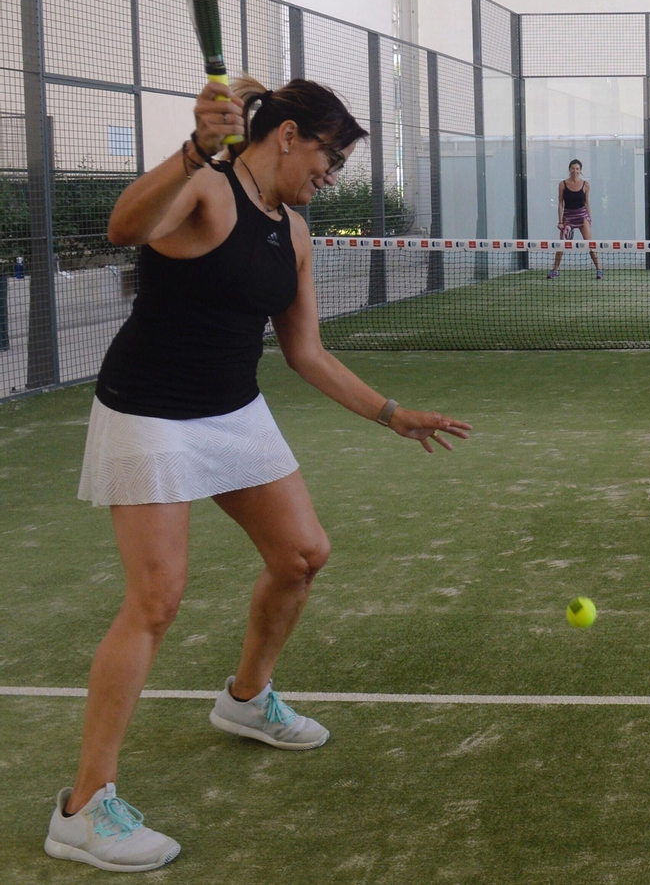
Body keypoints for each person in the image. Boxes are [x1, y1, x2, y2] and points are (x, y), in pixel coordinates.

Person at [45, 77, 472, 872]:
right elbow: (123, 226)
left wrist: (392, 412)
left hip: (231, 408)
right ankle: (83, 808)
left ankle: (246, 698)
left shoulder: (295, 232)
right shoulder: (207, 187)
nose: (331, 174)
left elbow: (305, 352)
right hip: (150, 408)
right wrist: (195, 147)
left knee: (302, 554)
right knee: (156, 598)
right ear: (288, 135)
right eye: (330, 156)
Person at [548, 159, 602, 280]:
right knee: (562, 244)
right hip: (568, 217)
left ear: (580, 170)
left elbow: (587, 203)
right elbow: (560, 203)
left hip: (582, 216)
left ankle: (599, 270)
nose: (575, 171)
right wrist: (560, 221)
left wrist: (589, 218)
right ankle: (555, 270)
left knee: (590, 243)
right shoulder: (562, 184)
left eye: (577, 169)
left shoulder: (586, 185)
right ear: (569, 169)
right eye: (573, 168)